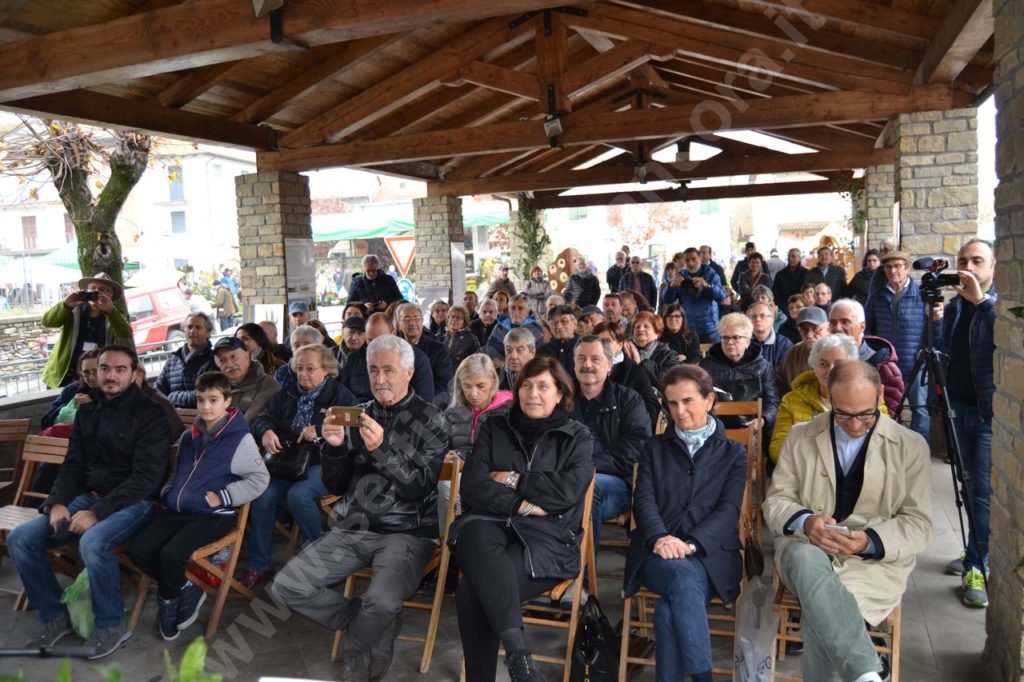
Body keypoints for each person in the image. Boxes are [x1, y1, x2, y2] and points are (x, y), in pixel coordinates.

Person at [271, 335, 449, 682]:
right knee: (286, 586)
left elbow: (417, 489)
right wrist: (334, 448)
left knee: (380, 602)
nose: (380, 379)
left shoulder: (431, 419)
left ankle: (357, 647)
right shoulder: (358, 414)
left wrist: (383, 449)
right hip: (354, 526)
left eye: (389, 370)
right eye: (372, 370)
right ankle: (369, 621)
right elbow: (336, 486)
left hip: (407, 533)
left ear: (409, 372)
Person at [764, 361, 933, 682]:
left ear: (880, 395)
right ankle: (866, 672)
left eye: (865, 413)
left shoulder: (911, 446)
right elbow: (775, 502)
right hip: (805, 550)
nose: (855, 424)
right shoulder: (801, 437)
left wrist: (870, 540)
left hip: (871, 565)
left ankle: (862, 672)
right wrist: (806, 522)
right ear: (828, 397)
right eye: (843, 414)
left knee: (824, 615)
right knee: (803, 557)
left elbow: (919, 524)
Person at [8, 345, 172, 659]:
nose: (111, 375)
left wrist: (97, 512)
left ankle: (113, 623)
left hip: (136, 503)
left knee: (93, 542)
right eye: (105, 369)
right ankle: (53, 615)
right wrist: (56, 503)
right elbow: (73, 465)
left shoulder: (151, 414)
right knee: (21, 539)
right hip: (88, 497)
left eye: (120, 369)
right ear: (94, 372)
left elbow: (146, 479)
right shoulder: (87, 412)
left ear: (134, 374)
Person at [451, 356, 594, 682]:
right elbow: (473, 486)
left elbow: (567, 492)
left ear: (560, 393)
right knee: (473, 530)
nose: (533, 394)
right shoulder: (495, 426)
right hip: (488, 526)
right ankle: (519, 658)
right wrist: (525, 506)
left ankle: (506, 662)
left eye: (543, 386)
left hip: (549, 539)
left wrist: (512, 478)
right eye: (526, 386)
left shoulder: (577, 436)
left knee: (473, 592)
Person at [624, 364, 747, 682]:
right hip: (657, 552)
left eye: (688, 401)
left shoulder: (735, 453)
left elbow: (729, 510)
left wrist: (690, 543)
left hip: (711, 555)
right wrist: (661, 538)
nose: (680, 411)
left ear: (709, 401)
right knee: (681, 578)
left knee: (669, 608)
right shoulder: (653, 448)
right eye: (672, 403)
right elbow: (644, 500)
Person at [126, 372, 270, 641]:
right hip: (179, 509)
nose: (205, 407)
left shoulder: (240, 439)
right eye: (201, 399)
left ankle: (167, 602)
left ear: (227, 401)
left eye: (213, 400)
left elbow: (260, 479)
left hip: (212, 515)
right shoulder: (188, 437)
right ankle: (188, 588)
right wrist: (169, 491)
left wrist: (224, 497)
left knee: (170, 555)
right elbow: (176, 471)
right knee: (138, 549)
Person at [243, 344, 357, 589]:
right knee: (261, 495)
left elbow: (356, 426)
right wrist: (265, 432)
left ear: (326, 370)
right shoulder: (288, 393)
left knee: (299, 495)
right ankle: (259, 564)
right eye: (300, 368)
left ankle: (320, 560)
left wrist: (321, 431)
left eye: (310, 369)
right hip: (288, 463)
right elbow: (262, 418)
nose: (303, 374)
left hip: (325, 463)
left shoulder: (340, 395)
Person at [940, 238, 996, 608]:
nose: (968, 266)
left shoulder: (998, 306)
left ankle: (978, 565)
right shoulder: (955, 307)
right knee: (966, 485)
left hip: (989, 414)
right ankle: (974, 549)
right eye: (963, 260)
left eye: (977, 260)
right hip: (957, 405)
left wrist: (981, 303)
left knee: (982, 493)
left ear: (993, 267)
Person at [572, 336, 650, 549]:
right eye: (581, 358)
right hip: (566, 479)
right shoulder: (562, 400)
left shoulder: (628, 399)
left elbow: (637, 448)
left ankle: (582, 578)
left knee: (588, 485)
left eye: (595, 359)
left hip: (617, 484)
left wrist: (587, 466)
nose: (587, 365)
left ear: (609, 364)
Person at [865, 250, 943, 441]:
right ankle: (890, 448)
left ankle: (918, 452)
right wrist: (877, 355)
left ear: (907, 268)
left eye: (898, 266)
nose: (893, 271)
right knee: (888, 409)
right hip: (887, 364)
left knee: (919, 409)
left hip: (915, 363)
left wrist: (936, 322)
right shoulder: (878, 297)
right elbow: (869, 330)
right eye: (888, 267)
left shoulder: (923, 296)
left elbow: (936, 332)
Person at [769, 334, 880, 463]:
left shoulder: (868, 397)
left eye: (839, 364)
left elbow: (884, 440)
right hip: (808, 474)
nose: (830, 370)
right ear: (814, 367)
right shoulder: (792, 400)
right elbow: (777, 449)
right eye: (823, 364)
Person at [41, 272, 132, 389]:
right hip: (64, 375)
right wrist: (66, 304)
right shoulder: (74, 309)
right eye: (93, 289)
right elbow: (48, 322)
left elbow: (125, 333)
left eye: (103, 290)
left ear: (110, 295)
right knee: (60, 406)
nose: (97, 293)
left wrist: (111, 311)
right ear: (86, 291)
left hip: (94, 379)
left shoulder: (115, 315)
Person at [699, 312, 779, 434]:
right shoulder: (706, 366)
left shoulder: (763, 367)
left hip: (751, 429)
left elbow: (771, 400)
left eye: (736, 337)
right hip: (713, 429)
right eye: (725, 338)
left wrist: (763, 420)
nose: (730, 342)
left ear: (747, 341)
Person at [828, 299, 905, 415]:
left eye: (845, 322)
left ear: (862, 327)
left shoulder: (884, 367)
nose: (837, 328)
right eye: (833, 322)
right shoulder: (823, 361)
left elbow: (891, 414)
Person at [341, 313, 435, 403]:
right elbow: (343, 396)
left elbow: (424, 402)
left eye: (381, 340)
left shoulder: (417, 359)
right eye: (370, 340)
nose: (375, 345)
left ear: (393, 333)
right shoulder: (353, 359)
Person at [445, 354, 514, 461]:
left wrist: (469, 462)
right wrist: (444, 457)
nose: (473, 394)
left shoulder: (509, 408)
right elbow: (439, 448)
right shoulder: (452, 411)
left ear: (493, 380)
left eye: (481, 386)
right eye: (467, 386)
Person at [594, 321, 662, 429]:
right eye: (598, 342)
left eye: (607, 341)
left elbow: (651, 410)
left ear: (620, 344)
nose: (602, 346)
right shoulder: (587, 370)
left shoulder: (635, 372)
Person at [152, 313, 215, 408]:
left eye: (198, 327)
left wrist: (171, 396)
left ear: (208, 333)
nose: (192, 331)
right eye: (189, 327)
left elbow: (203, 395)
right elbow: (157, 390)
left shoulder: (213, 360)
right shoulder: (172, 361)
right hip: (172, 418)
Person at [664, 248, 726, 343]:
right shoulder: (680, 277)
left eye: (694, 259)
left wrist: (707, 286)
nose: (691, 263)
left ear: (700, 258)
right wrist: (671, 287)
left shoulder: (712, 275)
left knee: (714, 356)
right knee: (691, 357)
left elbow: (722, 296)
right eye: (687, 260)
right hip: (689, 329)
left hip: (710, 328)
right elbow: (667, 300)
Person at [212, 337, 281, 421]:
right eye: (222, 361)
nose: (229, 365)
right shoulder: (216, 387)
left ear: (247, 356)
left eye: (233, 357)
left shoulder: (267, 385)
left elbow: (248, 423)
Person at [398, 302, 454, 401]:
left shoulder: (439, 350)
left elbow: (443, 387)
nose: (412, 323)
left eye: (416, 318)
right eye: (406, 319)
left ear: (422, 321)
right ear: (399, 324)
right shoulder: (394, 350)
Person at [41, 348, 101, 432]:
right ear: (81, 373)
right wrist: (70, 406)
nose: (91, 377)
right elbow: (45, 421)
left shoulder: (115, 392)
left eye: (95, 371)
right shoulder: (71, 390)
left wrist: (91, 406)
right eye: (86, 372)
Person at [776, 306, 832, 395]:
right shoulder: (794, 352)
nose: (809, 335)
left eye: (815, 329)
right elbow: (779, 383)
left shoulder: (838, 352)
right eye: (804, 330)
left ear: (828, 329)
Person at [484, 294, 544, 363]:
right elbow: (491, 348)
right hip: (503, 367)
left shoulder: (536, 329)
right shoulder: (500, 327)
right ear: (509, 310)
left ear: (528, 311)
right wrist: (505, 364)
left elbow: (538, 352)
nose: (516, 312)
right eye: (513, 308)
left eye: (520, 308)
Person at [631, 311, 681, 389]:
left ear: (657, 333)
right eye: (637, 327)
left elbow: (666, 383)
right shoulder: (626, 352)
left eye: (646, 326)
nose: (640, 329)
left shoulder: (670, 356)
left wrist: (641, 362)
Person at [274, 324, 323, 392]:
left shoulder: (327, 371)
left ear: (318, 347)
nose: (301, 349)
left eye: (307, 345)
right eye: (296, 345)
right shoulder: (282, 373)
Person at [748, 301, 793, 370]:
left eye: (762, 316)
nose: (758, 319)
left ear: (772, 319)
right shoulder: (742, 342)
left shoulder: (785, 344)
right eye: (753, 316)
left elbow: (785, 374)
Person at [536, 304, 578, 377]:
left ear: (575, 324)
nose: (559, 327)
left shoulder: (584, 348)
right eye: (554, 323)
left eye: (564, 321)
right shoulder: (542, 352)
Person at [446, 304, 480, 370]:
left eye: (458, 318)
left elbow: (477, 362)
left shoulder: (472, 339)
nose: (454, 320)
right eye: (452, 317)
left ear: (464, 321)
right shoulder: (440, 337)